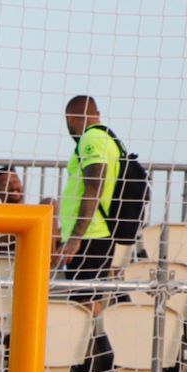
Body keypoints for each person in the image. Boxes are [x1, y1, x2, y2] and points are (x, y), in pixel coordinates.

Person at [55, 96, 123, 286]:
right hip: (96, 232)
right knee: (89, 298)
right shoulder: (108, 138)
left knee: (85, 300)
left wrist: (75, 238)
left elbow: (94, 185)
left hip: (90, 234)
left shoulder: (90, 138)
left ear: (70, 119)